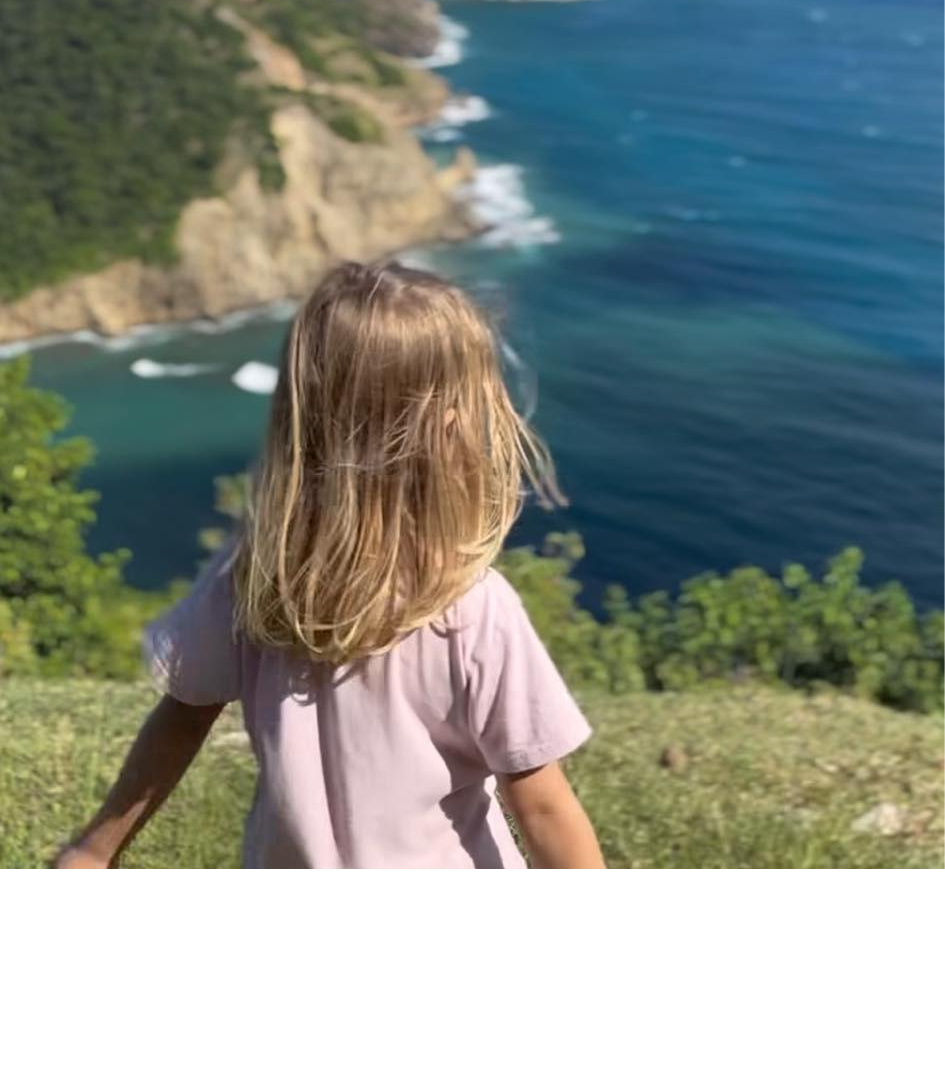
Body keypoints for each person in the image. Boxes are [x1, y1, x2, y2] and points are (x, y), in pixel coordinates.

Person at [57, 261, 605, 870]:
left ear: (302, 413)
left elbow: (184, 717)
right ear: (451, 430)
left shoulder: (255, 572)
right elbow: (540, 802)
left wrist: (92, 848)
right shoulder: (473, 606)